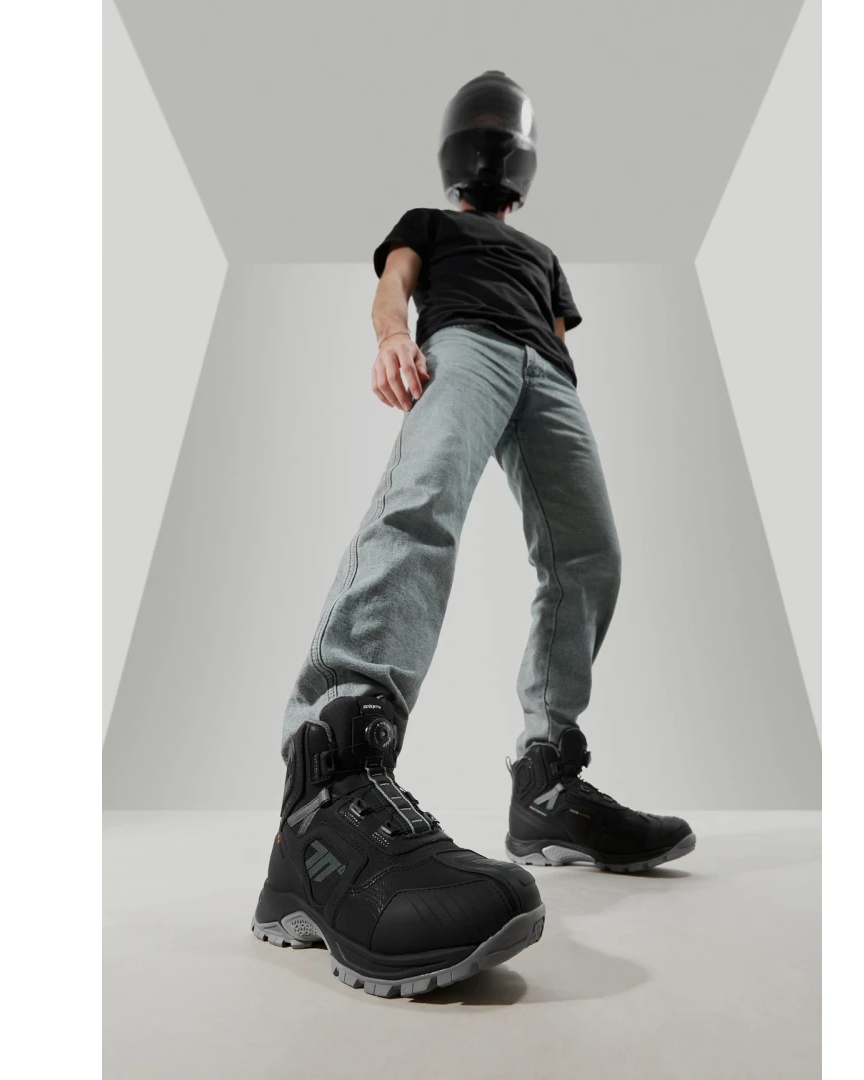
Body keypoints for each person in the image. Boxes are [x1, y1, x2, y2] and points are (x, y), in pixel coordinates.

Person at [252, 71, 694, 998]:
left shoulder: (543, 254)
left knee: (589, 557)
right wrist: (393, 339)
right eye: (482, 123)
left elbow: (559, 330)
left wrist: (556, 396)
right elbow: (394, 288)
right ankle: (329, 782)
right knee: (423, 502)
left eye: (506, 126)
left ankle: (547, 783)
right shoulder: (428, 221)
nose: (494, 136)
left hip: (550, 377)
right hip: (465, 347)